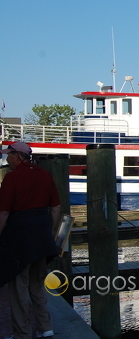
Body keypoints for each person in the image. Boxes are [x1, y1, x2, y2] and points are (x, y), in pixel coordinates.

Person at [0, 142, 61, 339]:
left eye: (9, 155)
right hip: (42, 237)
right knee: (37, 285)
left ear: (18, 156)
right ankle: (46, 328)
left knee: (18, 288)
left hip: (20, 239)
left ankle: (22, 333)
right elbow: (55, 208)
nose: (7, 159)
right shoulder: (45, 175)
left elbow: (3, 213)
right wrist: (50, 233)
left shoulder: (12, 177)